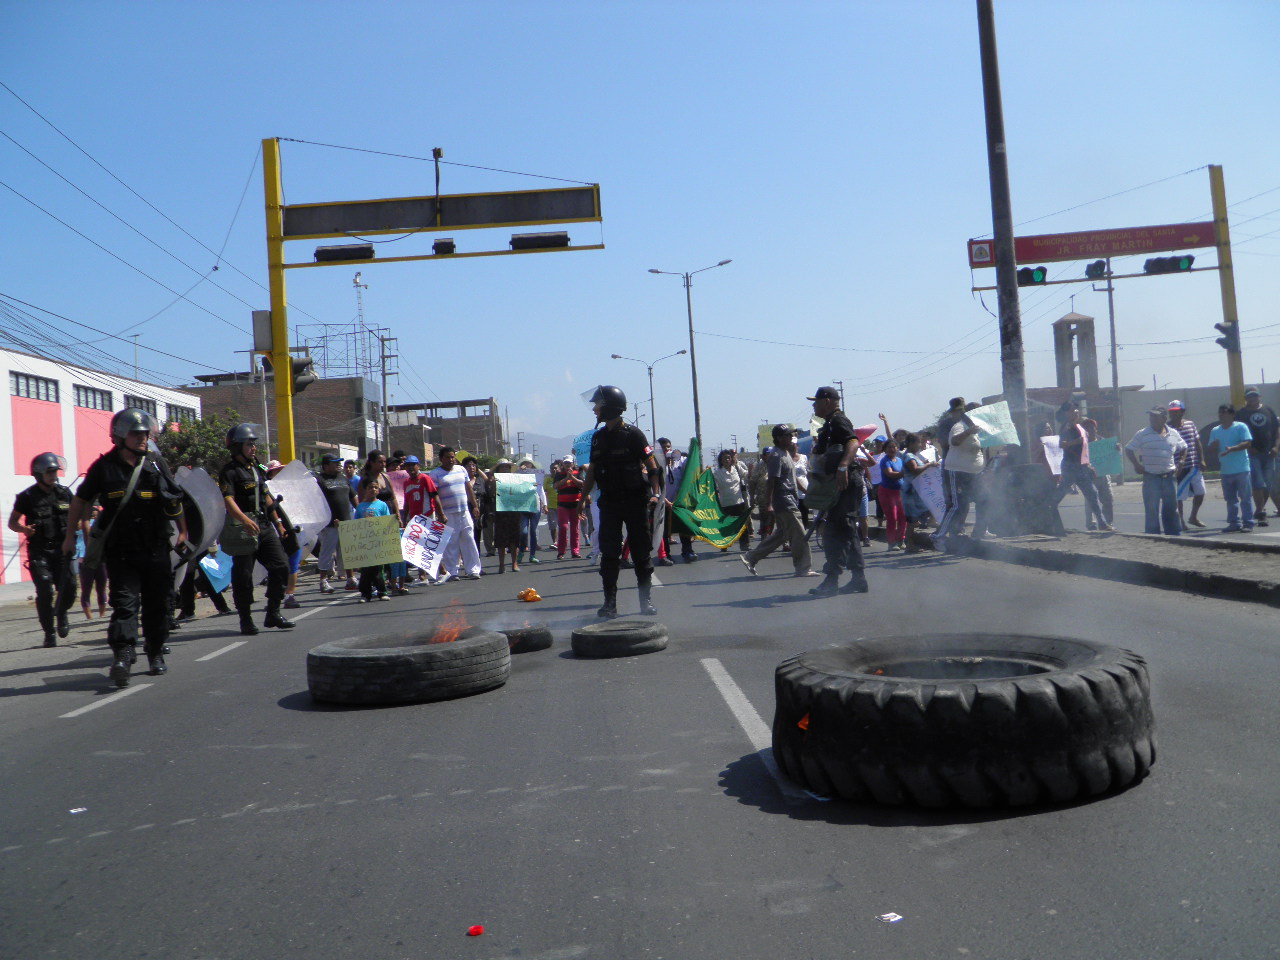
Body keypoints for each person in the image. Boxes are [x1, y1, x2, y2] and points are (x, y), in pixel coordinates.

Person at [63, 409, 188, 686]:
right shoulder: (104, 467)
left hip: (156, 549)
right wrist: (70, 536)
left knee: (158, 605)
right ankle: (123, 654)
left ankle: (155, 653)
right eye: (137, 433)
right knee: (125, 605)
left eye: (146, 433)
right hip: (121, 552)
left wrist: (183, 531)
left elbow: (174, 498)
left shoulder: (156, 463)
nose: (144, 438)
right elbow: (79, 502)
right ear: (120, 436)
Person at [579, 385, 663, 618]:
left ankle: (645, 602)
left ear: (610, 407)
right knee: (609, 555)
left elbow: (653, 467)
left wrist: (655, 494)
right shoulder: (598, 438)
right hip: (610, 504)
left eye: (598, 405)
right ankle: (610, 604)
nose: (595, 409)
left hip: (636, 502)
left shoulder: (634, 435)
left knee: (641, 553)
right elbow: (593, 471)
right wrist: (583, 498)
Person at [218, 423, 293, 635]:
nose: (253, 448)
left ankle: (273, 613)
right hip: (243, 529)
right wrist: (243, 520)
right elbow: (228, 500)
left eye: (254, 444)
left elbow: (267, 496)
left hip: (264, 526)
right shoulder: (229, 472)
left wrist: (278, 524)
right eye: (249, 444)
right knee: (243, 576)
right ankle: (245, 619)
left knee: (281, 566)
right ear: (236, 446)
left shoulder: (257, 468)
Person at [10, 452, 76, 647]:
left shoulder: (65, 493)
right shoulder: (27, 497)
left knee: (70, 588)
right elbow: (12, 522)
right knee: (45, 589)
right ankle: (49, 632)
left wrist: (81, 522)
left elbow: (77, 515)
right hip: (40, 551)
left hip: (63, 550)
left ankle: (62, 612)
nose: (54, 475)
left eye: (56, 471)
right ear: (39, 474)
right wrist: (24, 529)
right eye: (50, 472)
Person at [807, 386, 868, 597]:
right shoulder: (830, 423)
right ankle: (858, 578)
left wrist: (842, 466)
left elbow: (853, 442)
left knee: (837, 531)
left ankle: (832, 579)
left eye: (816, 401)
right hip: (837, 483)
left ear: (827, 401)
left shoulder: (838, 421)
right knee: (847, 530)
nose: (813, 405)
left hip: (846, 481)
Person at [740, 424, 816, 577]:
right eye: (787, 435)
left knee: (782, 534)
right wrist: (769, 503)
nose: (791, 438)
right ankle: (803, 568)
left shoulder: (785, 453)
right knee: (800, 534)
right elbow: (771, 481)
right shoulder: (776, 456)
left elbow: (793, 478)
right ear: (779, 438)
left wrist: (807, 492)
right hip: (783, 501)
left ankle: (751, 557)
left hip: (790, 499)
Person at [1124, 408, 1187, 536]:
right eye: (1151, 416)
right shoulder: (1143, 434)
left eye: (1156, 416)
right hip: (1151, 477)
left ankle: (1173, 535)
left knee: (1171, 508)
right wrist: (1136, 464)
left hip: (1169, 476)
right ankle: (1153, 536)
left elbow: (1184, 447)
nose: (1152, 419)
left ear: (1164, 418)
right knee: (1152, 509)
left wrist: (1181, 461)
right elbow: (1129, 449)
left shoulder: (1173, 433)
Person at [932, 402, 985, 548]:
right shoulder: (960, 426)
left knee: (984, 500)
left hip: (974, 472)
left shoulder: (977, 428)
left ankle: (978, 534)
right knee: (957, 505)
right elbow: (953, 441)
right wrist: (969, 432)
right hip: (958, 472)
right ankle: (938, 536)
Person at [1051, 406, 1112, 531]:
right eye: (1073, 411)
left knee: (1092, 493)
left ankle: (1102, 523)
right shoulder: (1066, 428)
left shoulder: (1080, 428)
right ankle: (1046, 511)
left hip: (1081, 466)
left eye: (1077, 411)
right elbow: (1062, 444)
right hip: (1070, 466)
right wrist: (1077, 441)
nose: (1076, 413)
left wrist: (1088, 464)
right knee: (1061, 492)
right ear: (1068, 414)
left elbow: (1084, 449)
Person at [429, 446, 482, 581]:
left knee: (469, 540)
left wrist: (475, 506)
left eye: (452, 457)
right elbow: (434, 495)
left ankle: (473, 570)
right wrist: (440, 513)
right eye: (447, 457)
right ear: (441, 459)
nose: (451, 459)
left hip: (464, 511)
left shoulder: (461, 469)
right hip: (448, 513)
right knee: (451, 543)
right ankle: (452, 572)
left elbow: (468, 488)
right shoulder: (435, 474)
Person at [1234, 387, 1279, 527]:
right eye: (1249, 396)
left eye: (1255, 396)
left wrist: (1276, 447)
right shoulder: (1241, 413)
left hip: (1269, 453)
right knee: (1258, 483)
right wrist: (1248, 447)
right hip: (1253, 454)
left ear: (1260, 396)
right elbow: (1237, 433)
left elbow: (1277, 430)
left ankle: (1259, 509)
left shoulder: (1268, 410)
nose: (1252, 398)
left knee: (1268, 483)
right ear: (1245, 398)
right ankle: (1261, 512)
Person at [1207, 403, 1254, 532]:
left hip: (1242, 469)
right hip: (1226, 470)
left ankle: (1248, 523)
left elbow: (1247, 443)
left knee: (1245, 498)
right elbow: (1210, 448)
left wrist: (1232, 449)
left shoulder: (1240, 427)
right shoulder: (1215, 430)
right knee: (1230, 499)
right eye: (1220, 412)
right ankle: (1234, 523)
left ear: (1232, 414)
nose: (1221, 414)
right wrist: (1214, 447)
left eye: (1224, 411)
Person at [315, 454, 357, 593]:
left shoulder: (343, 478)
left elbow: (353, 497)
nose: (339, 465)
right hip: (330, 524)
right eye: (335, 463)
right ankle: (323, 581)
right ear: (326, 466)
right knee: (327, 553)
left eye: (339, 462)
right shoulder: (320, 480)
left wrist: (361, 511)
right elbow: (314, 502)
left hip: (346, 522)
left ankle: (351, 578)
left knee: (348, 552)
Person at [1167, 401, 1206, 529]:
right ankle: (1181, 521)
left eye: (1176, 411)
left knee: (1201, 492)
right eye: (1171, 411)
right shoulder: (1167, 428)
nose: (1173, 414)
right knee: (1179, 497)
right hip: (1178, 468)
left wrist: (1202, 459)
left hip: (1193, 465)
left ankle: (1193, 516)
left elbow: (1197, 441)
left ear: (1182, 412)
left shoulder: (1190, 424)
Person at [352, 482, 391, 601]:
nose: (373, 489)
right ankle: (365, 594)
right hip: (365, 543)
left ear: (378, 490)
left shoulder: (382, 505)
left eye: (375, 487)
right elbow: (355, 524)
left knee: (379, 569)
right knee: (366, 570)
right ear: (365, 490)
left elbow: (387, 521)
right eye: (370, 487)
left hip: (378, 542)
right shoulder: (360, 507)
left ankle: (382, 591)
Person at [712, 448, 752, 553]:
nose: (726, 460)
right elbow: (712, 486)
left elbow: (746, 475)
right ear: (720, 460)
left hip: (739, 502)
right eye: (724, 458)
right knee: (725, 525)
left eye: (728, 458)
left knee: (742, 525)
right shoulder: (717, 473)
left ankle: (745, 545)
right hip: (725, 503)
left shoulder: (737, 469)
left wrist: (751, 469)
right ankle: (724, 545)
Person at [491, 459, 522, 573]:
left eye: (507, 467)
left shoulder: (515, 480)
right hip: (500, 512)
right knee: (501, 539)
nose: (505, 469)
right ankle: (501, 564)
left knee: (514, 539)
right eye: (503, 467)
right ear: (498, 469)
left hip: (514, 511)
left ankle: (514, 563)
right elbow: (492, 493)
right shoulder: (494, 480)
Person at [877, 437, 908, 550]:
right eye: (889, 447)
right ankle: (891, 542)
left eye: (894, 447)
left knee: (903, 517)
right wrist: (904, 473)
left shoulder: (900, 460)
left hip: (900, 492)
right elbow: (890, 474)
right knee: (892, 517)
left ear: (897, 448)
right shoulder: (884, 461)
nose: (892, 449)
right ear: (885, 450)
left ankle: (901, 540)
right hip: (887, 492)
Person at [554, 456, 585, 559]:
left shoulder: (578, 472)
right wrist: (566, 478)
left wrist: (572, 477)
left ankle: (575, 551)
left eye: (569, 463)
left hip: (575, 505)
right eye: (565, 463)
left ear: (572, 463)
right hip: (563, 504)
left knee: (575, 529)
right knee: (563, 527)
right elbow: (556, 486)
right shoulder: (559, 474)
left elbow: (582, 484)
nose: (567, 465)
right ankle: (561, 551)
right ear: (563, 464)